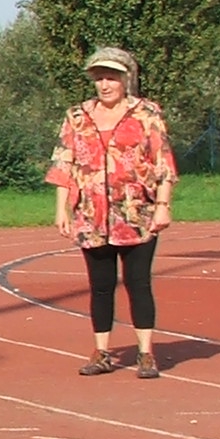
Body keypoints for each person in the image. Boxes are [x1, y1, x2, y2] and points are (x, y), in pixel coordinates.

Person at [49, 45, 177, 379]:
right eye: (99, 78)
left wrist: (163, 205)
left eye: (111, 78)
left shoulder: (146, 113)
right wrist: (61, 208)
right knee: (100, 285)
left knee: (138, 282)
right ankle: (102, 351)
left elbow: (162, 162)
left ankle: (145, 353)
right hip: (92, 214)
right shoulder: (77, 116)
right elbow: (65, 161)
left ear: (125, 79)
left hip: (136, 212)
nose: (105, 85)